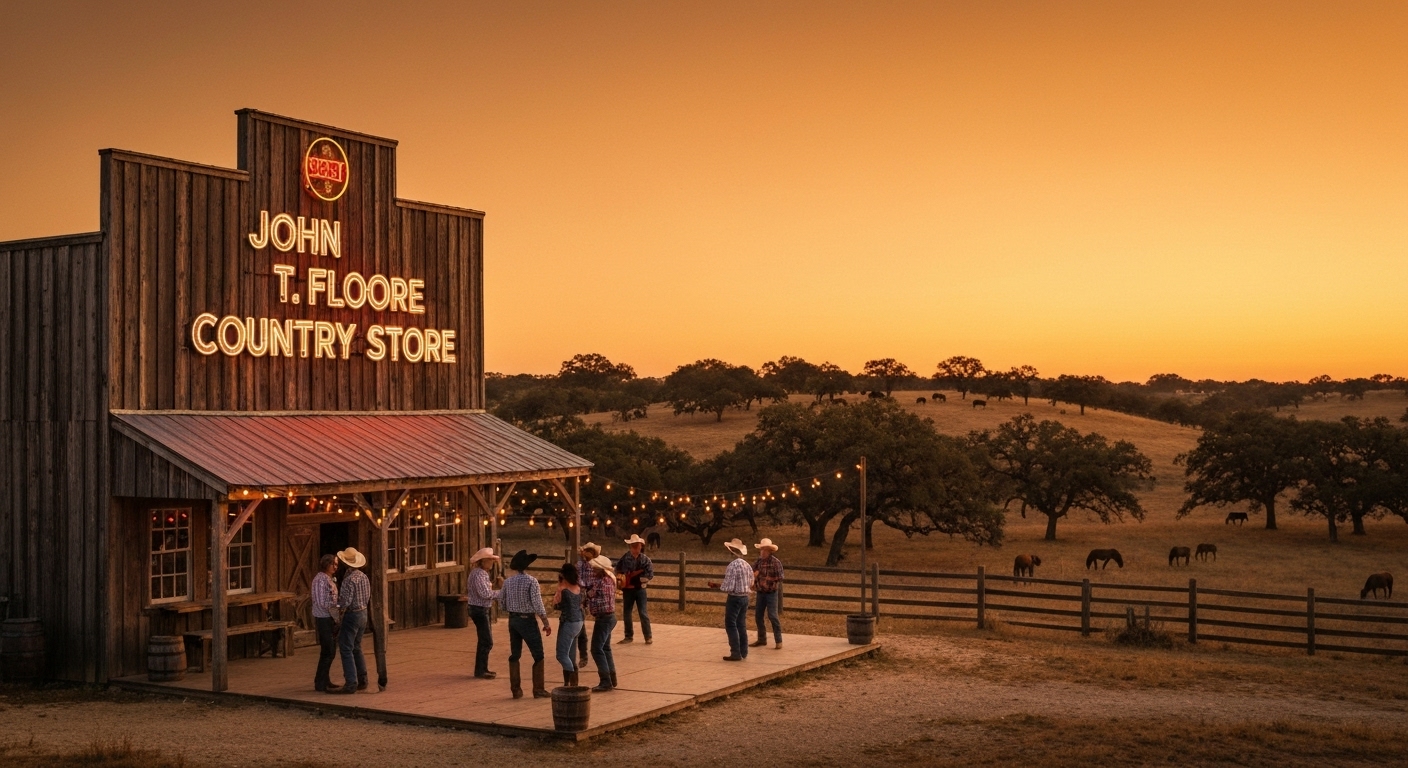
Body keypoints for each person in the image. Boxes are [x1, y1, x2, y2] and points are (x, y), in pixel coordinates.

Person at [501, 549, 552, 699]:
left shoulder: (508, 582)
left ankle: (515, 689)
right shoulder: (532, 581)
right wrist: (546, 622)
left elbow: (503, 602)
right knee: (538, 654)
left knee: (515, 654)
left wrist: (511, 610)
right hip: (527, 620)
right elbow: (537, 604)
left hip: (513, 619)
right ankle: (538, 689)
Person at [330, 547, 370, 694]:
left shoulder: (349, 580)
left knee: (346, 647)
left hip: (352, 614)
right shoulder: (364, 577)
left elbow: (345, 601)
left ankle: (351, 682)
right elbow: (367, 597)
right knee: (356, 646)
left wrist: (335, 605)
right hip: (363, 612)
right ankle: (362, 678)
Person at [708, 538, 753, 661]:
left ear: (732, 551)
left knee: (731, 624)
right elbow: (751, 582)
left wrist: (718, 586)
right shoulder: (747, 565)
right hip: (745, 597)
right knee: (741, 624)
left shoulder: (732, 566)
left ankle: (735, 652)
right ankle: (744, 651)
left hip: (734, 598)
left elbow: (729, 586)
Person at [466, 547, 502, 679]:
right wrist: (501, 593)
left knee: (484, 640)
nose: (492, 563)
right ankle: (480, 670)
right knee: (486, 641)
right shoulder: (480, 574)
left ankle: (483, 668)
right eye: (490, 560)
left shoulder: (479, 574)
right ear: (483, 561)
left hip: (479, 608)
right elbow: (485, 594)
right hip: (479, 609)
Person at [584, 555, 618, 692]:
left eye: (594, 569)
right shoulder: (608, 580)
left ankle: (605, 681)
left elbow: (596, 600)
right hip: (610, 617)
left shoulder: (602, 583)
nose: (592, 571)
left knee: (596, 649)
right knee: (605, 648)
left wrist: (586, 600)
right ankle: (612, 677)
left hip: (603, 618)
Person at [615, 534, 655, 645]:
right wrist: (621, 578)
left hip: (640, 589)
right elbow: (618, 569)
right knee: (627, 612)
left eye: (636, 546)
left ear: (640, 546)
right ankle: (628, 636)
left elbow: (650, 574)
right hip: (628, 589)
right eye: (633, 546)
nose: (634, 548)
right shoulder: (625, 558)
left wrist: (642, 579)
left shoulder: (645, 559)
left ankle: (648, 636)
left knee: (643, 612)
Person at [311, 553, 341, 692]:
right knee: (327, 650)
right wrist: (337, 606)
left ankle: (325, 679)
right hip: (323, 617)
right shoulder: (320, 580)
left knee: (331, 651)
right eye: (333, 564)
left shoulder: (329, 579)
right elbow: (321, 601)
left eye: (336, 564)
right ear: (326, 564)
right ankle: (320, 682)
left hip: (331, 617)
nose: (335, 567)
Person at [552, 563, 585, 687]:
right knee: (571, 655)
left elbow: (556, 605)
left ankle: (571, 680)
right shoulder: (578, 587)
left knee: (561, 655)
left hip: (568, 622)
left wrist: (559, 586)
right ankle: (571, 683)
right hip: (579, 622)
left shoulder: (564, 589)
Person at [750, 538, 785, 650]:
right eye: (761, 550)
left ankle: (778, 640)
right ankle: (762, 639)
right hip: (760, 592)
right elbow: (752, 572)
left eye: (764, 550)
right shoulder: (758, 562)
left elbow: (780, 577)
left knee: (773, 616)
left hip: (771, 592)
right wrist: (754, 580)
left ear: (769, 551)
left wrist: (767, 579)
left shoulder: (775, 562)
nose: (762, 552)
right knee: (758, 616)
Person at [575, 542, 601, 667]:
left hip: (594, 594)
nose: (588, 554)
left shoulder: (597, 565)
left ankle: (595, 652)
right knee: (581, 627)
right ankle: (583, 655)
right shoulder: (580, 565)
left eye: (590, 552)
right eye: (587, 551)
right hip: (583, 594)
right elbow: (577, 577)